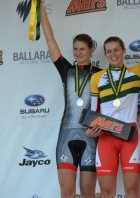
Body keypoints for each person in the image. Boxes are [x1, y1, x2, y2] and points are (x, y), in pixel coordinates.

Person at [40, 1, 102, 197]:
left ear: (91, 50)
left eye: (82, 49)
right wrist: (40, 6)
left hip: (90, 135)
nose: (78, 53)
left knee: (87, 190)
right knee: (66, 191)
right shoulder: (66, 70)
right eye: (75, 49)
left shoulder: (101, 74)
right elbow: (50, 40)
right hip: (66, 134)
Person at [86, 36, 140, 197]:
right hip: (105, 136)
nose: (113, 54)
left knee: (132, 190)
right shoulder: (97, 77)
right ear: (105, 54)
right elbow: (94, 110)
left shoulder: (136, 72)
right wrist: (89, 130)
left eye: (116, 49)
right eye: (109, 51)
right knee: (106, 192)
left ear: (123, 51)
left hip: (129, 135)